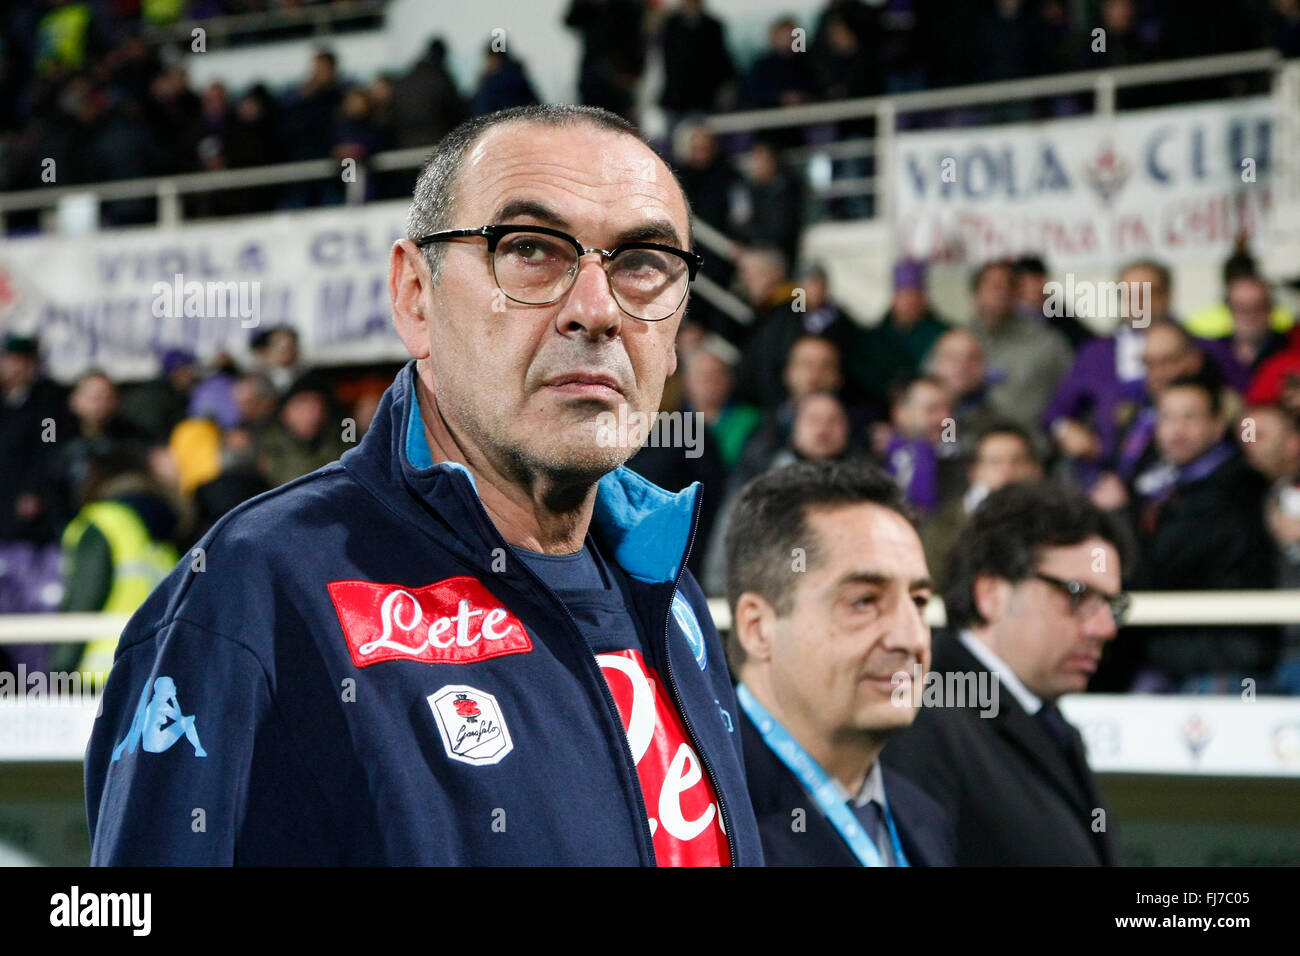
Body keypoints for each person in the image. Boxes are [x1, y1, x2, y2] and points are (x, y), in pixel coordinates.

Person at [86, 104, 762, 866]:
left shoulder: (672, 601)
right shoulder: (255, 592)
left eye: (642, 264)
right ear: (415, 296)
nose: (597, 310)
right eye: (531, 250)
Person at [883, 482, 1127, 865]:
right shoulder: (922, 711)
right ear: (991, 593)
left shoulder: (1051, 724)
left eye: (1111, 605)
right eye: (1078, 595)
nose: (1104, 627)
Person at [724, 460, 954, 866]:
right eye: (865, 601)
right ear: (758, 628)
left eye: (918, 602)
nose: (911, 638)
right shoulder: (691, 815)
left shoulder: (925, 816)